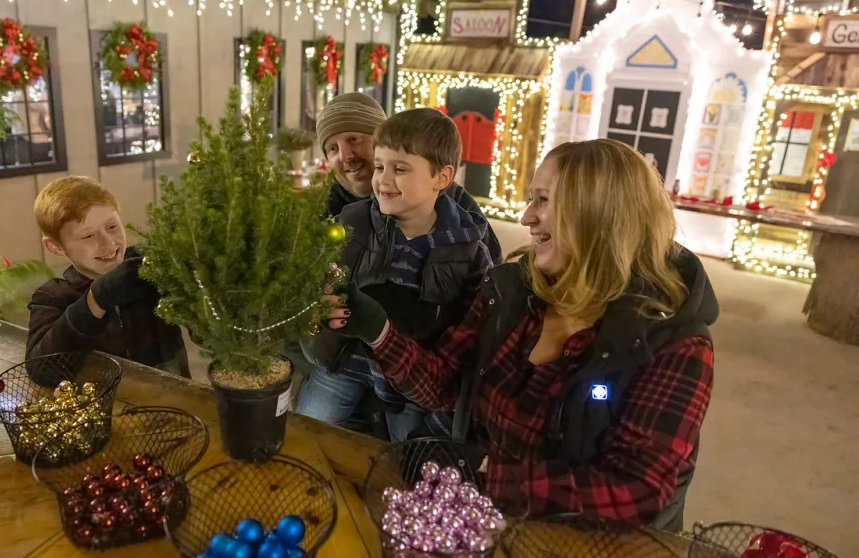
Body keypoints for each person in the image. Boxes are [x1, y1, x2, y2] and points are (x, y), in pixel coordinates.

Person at [323, 139, 718, 530]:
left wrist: (485, 474)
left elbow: (636, 491)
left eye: (542, 200)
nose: (526, 217)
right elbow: (443, 384)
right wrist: (377, 330)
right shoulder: (510, 292)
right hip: (480, 518)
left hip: (582, 541)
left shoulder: (673, 342)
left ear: (600, 214)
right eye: (531, 199)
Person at [296, 109, 494, 443]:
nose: (383, 180)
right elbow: (319, 275)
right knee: (305, 438)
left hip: (410, 385)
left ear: (441, 177)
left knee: (408, 460)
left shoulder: (470, 253)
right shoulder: (351, 221)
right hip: (346, 364)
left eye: (400, 169)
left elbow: (466, 343)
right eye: (379, 166)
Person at [26, 176, 189, 377]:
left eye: (112, 227)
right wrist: (96, 299)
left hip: (174, 394)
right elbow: (42, 369)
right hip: (106, 397)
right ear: (55, 246)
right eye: (88, 236)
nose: (109, 243)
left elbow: (210, 332)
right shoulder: (52, 297)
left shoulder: (151, 268)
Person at [316, 92, 502, 262]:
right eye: (332, 149)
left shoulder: (454, 202)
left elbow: (491, 271)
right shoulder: (322, 211)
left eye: (354, 139)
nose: (345, 156)